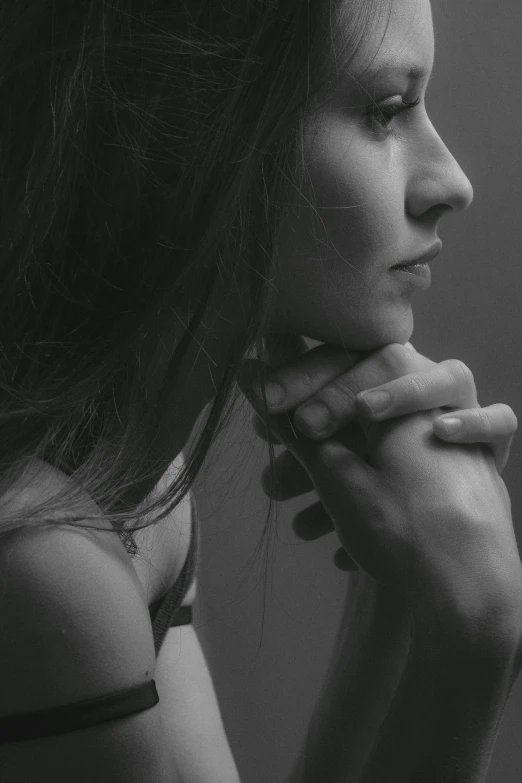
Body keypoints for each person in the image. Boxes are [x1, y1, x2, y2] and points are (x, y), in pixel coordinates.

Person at [0, 1, 519, 782]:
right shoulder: (41, 561)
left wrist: (400, 599)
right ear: (198, 129)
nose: (452, 182)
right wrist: (475, 631)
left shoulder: (146, 496)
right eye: (385, 112)